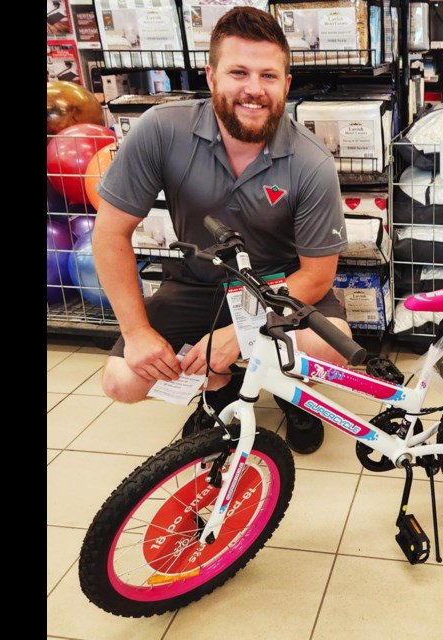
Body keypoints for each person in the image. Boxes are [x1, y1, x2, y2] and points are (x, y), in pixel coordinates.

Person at [92, 6, 351, 455]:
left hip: (280, 287)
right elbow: (110, 234)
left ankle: (291, 397)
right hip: (197, 284)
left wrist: (243, 333)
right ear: (211, 77)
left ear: (286, 84)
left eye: (268, 76)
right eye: (238, 72)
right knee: (122, 380)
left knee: (327, 350)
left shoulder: (312, 162)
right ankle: (221, 391)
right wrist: (136, 333)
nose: (254, 89)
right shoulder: (160, 130)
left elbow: (317, 277)